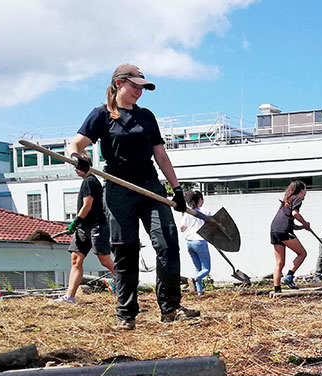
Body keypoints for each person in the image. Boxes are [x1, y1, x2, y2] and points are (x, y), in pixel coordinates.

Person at [66, 63, 198, 331]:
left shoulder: (146, 116)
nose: (139, 91)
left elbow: (160, 154)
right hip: (119, 189)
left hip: (151, 188)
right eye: (134, 86)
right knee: (125, 252)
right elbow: (76, 144)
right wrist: (78, 158)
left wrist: (177, 188)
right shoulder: (101, 116)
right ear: (118, 83)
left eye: (142, 87)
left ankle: (170, 308)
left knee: (168, 244)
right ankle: (127, 314)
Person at [53, 166, 117, 303]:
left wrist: (75, 221)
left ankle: (124, 284)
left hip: (96, 226)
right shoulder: (86, 181)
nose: (75, 169)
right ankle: (69, 296)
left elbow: (87, 205)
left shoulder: (90, 181)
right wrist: (79, 224)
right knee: (76, 259)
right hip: (83, 227)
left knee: (104, 260)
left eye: (77, 167)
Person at [271, 181, 310, 292]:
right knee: (302, 253)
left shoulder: (286, 201)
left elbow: (290, 223)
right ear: (302, 190)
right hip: (283, 231)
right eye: (305, 191)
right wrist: (305, 223)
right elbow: (295, 214)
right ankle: (289, 276)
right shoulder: (296, 199)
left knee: (279, 263)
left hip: (274, 231)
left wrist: (302, 227)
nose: (305, 194)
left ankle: (277, 290)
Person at [179, 190, 212, 295]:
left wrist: (183, 216)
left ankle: (200, 292)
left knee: (198, 268)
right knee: (206, 269)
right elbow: (212, 226)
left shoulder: (187, 212)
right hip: (200, 241)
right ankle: (193, 279)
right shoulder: (206, 211)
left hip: (189, 242)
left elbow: (182, 228)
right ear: (200, 200)